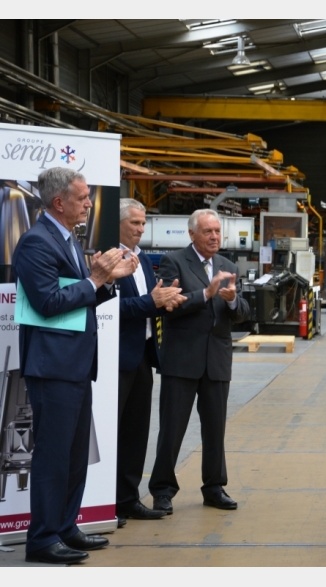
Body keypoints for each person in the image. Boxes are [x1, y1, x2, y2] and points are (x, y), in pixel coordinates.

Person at [12, 167, 137, 564]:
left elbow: (81, 295)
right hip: (52, 366)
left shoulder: (65, 239)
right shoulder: (36, 243)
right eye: (83, 197)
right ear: (58, 202)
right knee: (53, 456)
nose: (89, 202)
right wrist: (95, 280)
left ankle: (65, 527)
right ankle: (43, 538)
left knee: (73, 454)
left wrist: (108, 281)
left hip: (75, 364)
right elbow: (48, 303)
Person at [148, 209, 250, 514]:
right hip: (182, 360)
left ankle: (214, 487)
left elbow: (242, 312)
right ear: (192, 234)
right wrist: (205, 294)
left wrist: (232, 299)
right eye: (208, 232)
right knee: (172, 428)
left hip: (217, 360)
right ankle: (162, 489)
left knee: (215, 429)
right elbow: (168, 306)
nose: (214, 237)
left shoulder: (228, 265)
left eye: (217, 231)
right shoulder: (174, 261)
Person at [115, 199, 185, 522]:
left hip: (143, 353)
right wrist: (150, 301)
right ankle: (106, 502)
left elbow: (146, 304)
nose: (141, 229)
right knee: (113, 431)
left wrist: (164, 301)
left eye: (144, 224)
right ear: (118, 224)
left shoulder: (142, 260)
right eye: (135, 223)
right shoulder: (109, 259)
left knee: (136, 431)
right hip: (117, 356)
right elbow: (112, 309)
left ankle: (128, 498)